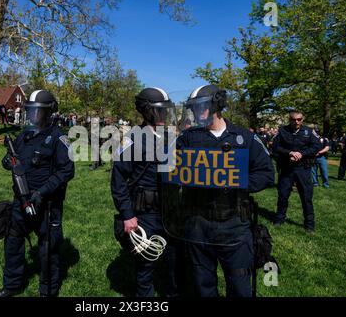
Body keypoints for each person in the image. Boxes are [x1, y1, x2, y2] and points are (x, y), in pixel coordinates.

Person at [164, 84, 274, 297]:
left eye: (202, 106)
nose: (198, 112)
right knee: (201, 286)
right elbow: (167, 168)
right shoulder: (188, 139)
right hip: (197, 223)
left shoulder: (244, 138)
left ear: (216, 105)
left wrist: (236, 182)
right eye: (194, 108)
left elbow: (266, 173)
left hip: (234, 223)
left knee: (240, 286)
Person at [0, 90, 74, 297]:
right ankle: (12, 285)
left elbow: (66, 171)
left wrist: (42, 192)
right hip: (21, 200)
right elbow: (14, 160)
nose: (32, 115)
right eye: (30, 110)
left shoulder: (59, 138)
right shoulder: (25, 135)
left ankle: (47, 291)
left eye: (37, 111)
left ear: (49, 112)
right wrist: (7, 162)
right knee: (12, 242)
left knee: (48, 249)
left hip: (46, 204)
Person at [111, 87, 183, 297]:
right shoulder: (132, 139)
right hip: (145, 214)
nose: (163, 115)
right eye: (159, 111)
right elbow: (118, 181)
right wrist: (127, 215)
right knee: (146, 268)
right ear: (147, 111)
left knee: (174, 265)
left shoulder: (173, 138)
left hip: (172, 212)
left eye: (165, 111)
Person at [272, 111, 321, 233]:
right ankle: (279, 219)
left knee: (306, 197)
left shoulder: (309, 132)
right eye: (293, 119)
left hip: (303, 168)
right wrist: (289, 153)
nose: (296, 122)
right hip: (287, 168)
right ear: (290, 119)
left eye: (299, 119)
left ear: (302, 119)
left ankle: (309, 225)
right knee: (283, 195)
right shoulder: (282, 131)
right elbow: (275, 147)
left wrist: (301, 154)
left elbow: (316, 147)